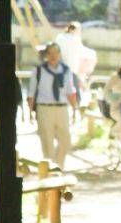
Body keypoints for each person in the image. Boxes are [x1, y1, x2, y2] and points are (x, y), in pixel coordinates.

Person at [27, 42, 77, 170]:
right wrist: (30, 112)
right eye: (50, 53)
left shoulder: (66, 71)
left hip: (62, 108)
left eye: (55, 53)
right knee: (47, 140)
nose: (53, 56)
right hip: (44, 108)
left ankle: (58, 166)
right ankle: (50, 169)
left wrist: (75, 109)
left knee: (65, 141)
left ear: (60, 54)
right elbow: (31, 92)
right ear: (46, 55)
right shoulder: (38, 71)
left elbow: (70, 91)